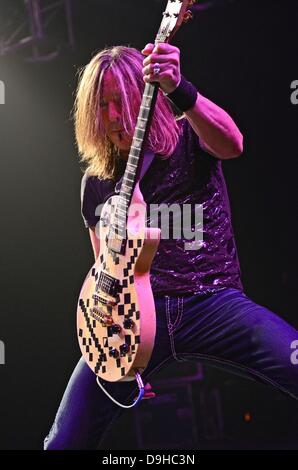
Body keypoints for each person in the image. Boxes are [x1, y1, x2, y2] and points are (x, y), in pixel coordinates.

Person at [44, 43, 298, 450]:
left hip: (212, 301)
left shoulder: (188, 136)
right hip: (138, 319)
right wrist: (118, 348)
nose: (112, 116)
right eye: (102, 105)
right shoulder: (96, 184)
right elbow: (104, 271)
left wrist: (180, 88)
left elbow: (233, 143)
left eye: (120, 101)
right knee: (62, 441)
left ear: (143, 97)